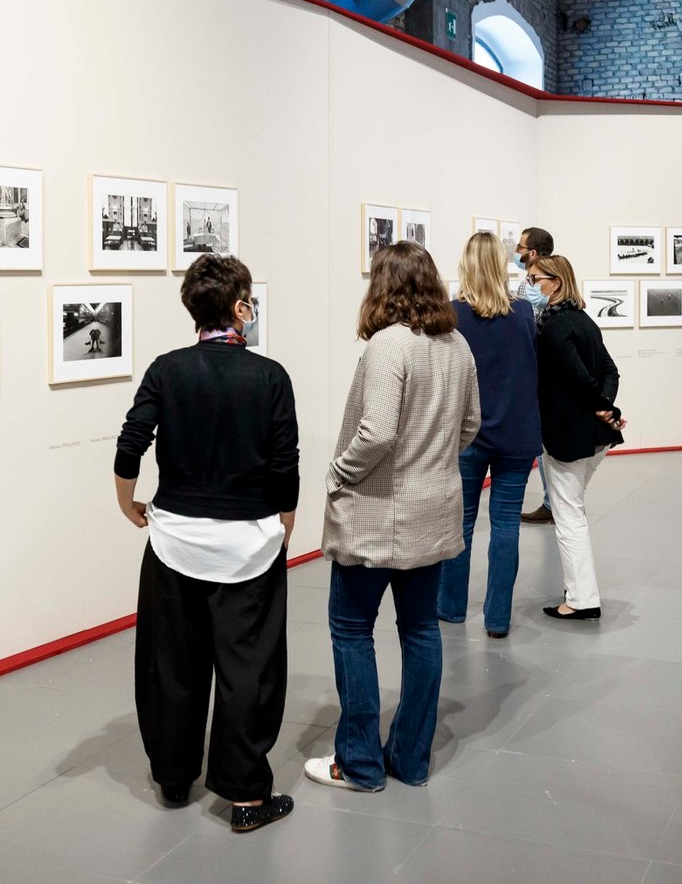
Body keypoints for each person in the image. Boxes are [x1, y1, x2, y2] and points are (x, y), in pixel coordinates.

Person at [115, 253, 298, 833]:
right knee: (249, 667)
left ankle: (173, 777)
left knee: (172, 663)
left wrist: (127, 503)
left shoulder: (166, 370)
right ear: (239, 307)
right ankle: (245, 796)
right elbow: (284, 465)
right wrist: (285, 523)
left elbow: (130, 443)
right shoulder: (270, 376)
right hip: (249, 542)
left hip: (174, 542)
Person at [309, 242, 481, 792]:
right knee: (421, 631)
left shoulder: (388, 346)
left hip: (378, 514)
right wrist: (431, 459)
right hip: (433, 511)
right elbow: (472, 425)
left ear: (384, 285)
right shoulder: (457, 346)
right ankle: (409, 758)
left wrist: (339, 473)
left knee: (352, 630)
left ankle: (358, 763)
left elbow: (377, 431)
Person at [438, 230, 541, 638]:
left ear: (465, 264)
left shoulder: (453, 316)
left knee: (460, 525)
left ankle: (450, 608)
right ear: (501, 265)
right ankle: (497, 618)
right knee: (505, 527)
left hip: (468, 437)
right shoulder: (523, 314)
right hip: (516, 433)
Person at [526, 254, 623, 620]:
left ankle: (582, 599)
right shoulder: (583, 320)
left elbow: (579, 376)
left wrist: (602, 405)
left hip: (569, 435)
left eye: (536, 279)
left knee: (569, 518)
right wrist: (605, 407)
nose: (530, 286)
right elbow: (610, 371)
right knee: (573, 511)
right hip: (594, 434)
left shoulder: (552, 328)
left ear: (556, 282)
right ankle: (580, 592)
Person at [513, 226, 557, 525]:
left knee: (546, 446)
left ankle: (554, 503)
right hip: (533, 373)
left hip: (545, 374)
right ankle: (553, 501)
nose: (516, 252)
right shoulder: (527, 284)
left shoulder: (544, 286)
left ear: (531, 252)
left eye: (520, 247)